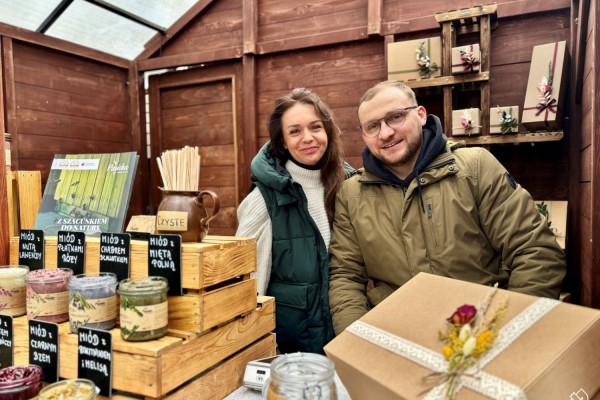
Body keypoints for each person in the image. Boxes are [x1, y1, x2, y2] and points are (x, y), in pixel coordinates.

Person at [328, 80, 567, 335]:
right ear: (364, 135)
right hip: (399, 339)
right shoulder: (352, 194)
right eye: (373, 126)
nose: (385, 133)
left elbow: (535, 251)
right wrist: (357, 342)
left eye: (395, 117)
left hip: (478, 334)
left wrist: (505, 331)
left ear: (420, 115)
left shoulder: (475, 168)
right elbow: (346, 277)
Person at [236, 87, 354, 353]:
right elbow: (244, 283)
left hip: (347, 343)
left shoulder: (349, 186)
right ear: (283, 142)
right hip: (290, 351)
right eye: (295, 131)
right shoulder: (266, 197)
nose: (308, 138)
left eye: (315, 127)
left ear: (328, 131)